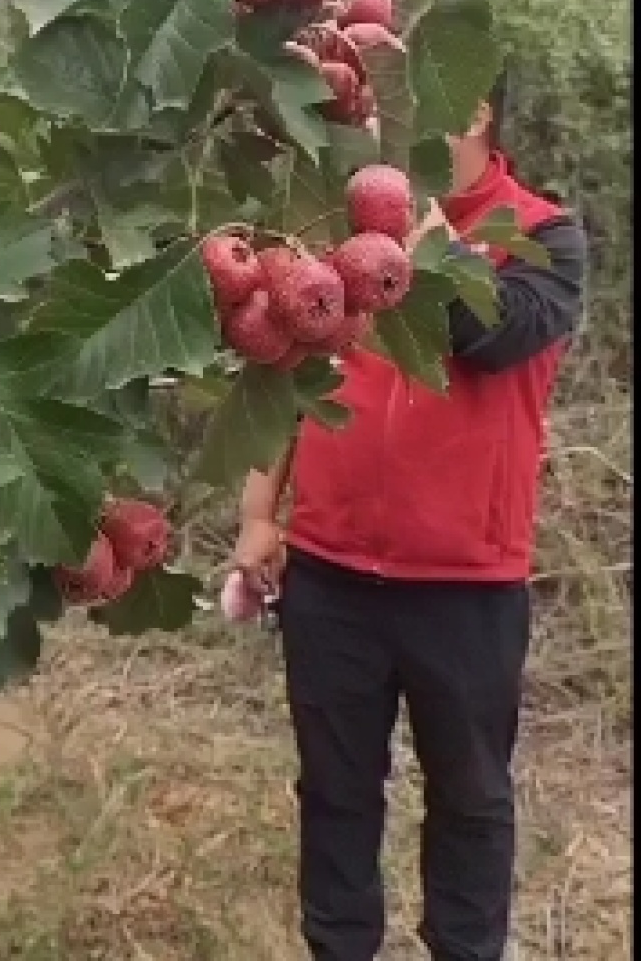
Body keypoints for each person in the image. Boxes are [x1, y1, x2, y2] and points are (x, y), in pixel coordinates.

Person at [231, 79, 587, 961]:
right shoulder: (332, 223)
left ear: (478, 113)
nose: (395, 123)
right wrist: (258, 512)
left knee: (470, 799)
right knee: (336, 791)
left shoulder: (542, 234)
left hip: (467, 587)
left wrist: (428, 251)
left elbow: (500, 339)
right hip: (330, 575)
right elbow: (284, 370)